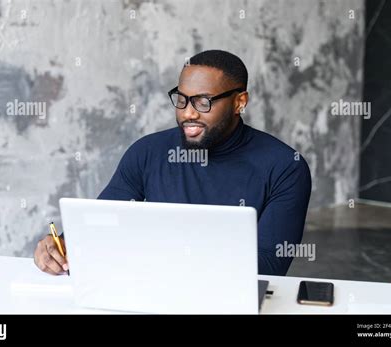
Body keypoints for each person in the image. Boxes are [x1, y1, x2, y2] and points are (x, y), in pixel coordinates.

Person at [34, 49, 311, 276]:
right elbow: (99, 225)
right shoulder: (147, 152)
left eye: (203, 102)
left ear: (240, 102)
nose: (188, 113)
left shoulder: (285, 167)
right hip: (150, 291)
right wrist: (63, 246)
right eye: (181, 99)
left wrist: (150, 254)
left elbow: (267, 265)